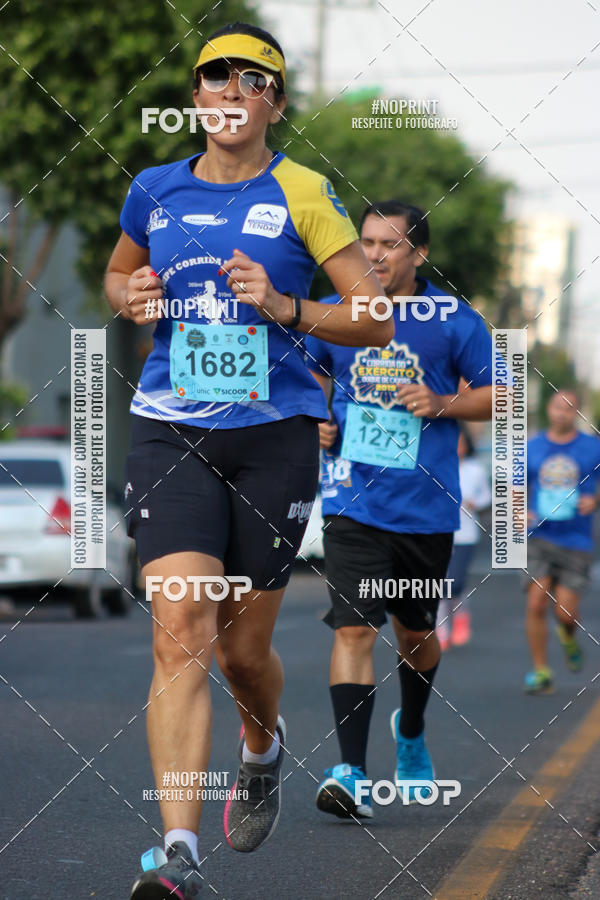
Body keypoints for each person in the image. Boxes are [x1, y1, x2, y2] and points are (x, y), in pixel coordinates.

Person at [104, 22, 391, 898]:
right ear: (195, 95)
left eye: (250, 79)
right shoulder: (153, 189)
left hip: (274, 438)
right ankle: (180, 849)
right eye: (213, 76)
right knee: (180, 631)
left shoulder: (302, 189)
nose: (230, 91)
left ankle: (260, 744)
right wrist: (134, 293)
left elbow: (373, 316)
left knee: (239, 654)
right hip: (169, 429)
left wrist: (287, 306)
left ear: (273, 100)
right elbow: (117, 279)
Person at [305, 200, 494, 819]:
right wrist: (318, 421)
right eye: (366, 243)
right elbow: (306, 381)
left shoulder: (452, 321)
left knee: (415, 637)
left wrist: (442, 402)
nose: (375, 255)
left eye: (390, 245)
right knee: (355, 629)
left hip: (426, 510)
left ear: (420, 254)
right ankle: (351, 772)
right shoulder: (341, 313)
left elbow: (503, 395)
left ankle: (409, 730)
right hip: (352, 501)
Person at [524, 388, 600, 694]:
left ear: (577, 414)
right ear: (549, 409)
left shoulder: (592, 448)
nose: (562, 413)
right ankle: (541, 670)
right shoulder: (531, 447)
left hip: (575, 539)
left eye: (569, 409)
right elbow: (512, 486)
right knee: (536, 602)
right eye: (558, 407)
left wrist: (595, 500)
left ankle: (568, 634)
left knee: (565, 612)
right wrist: (518, 510)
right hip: (538, 536)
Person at [436, 425, 491, 650]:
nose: (457, 447)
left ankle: (460, 614)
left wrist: (475, 503)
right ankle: (441, 628)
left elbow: (487, 496)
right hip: (439, 532)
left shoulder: (475, 469)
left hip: (466, 534)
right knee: (439, 584)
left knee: (455, 583)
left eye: (461, 442)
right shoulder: (438, 467)